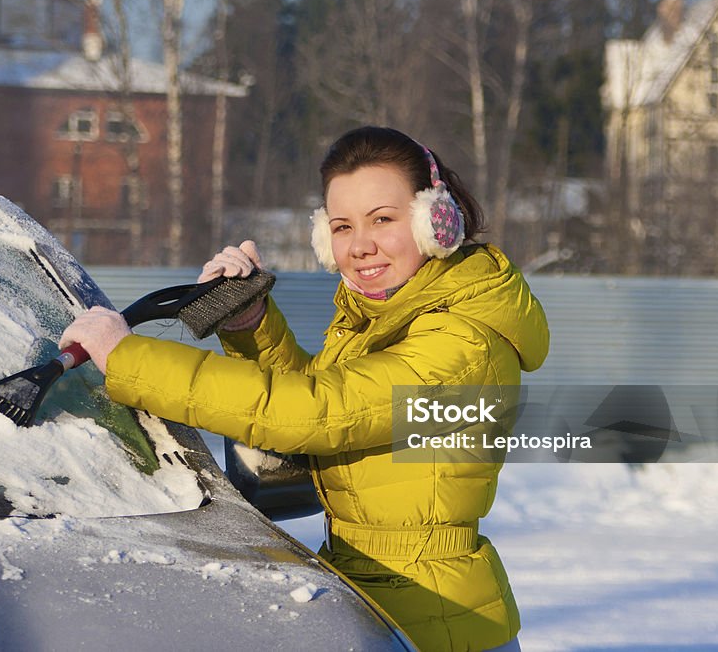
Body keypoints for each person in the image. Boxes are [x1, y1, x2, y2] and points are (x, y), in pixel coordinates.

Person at [60, 126, 549, 651]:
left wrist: (129, 358)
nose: (360, 245)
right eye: (342, 226)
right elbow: (316, 398)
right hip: (377, 597)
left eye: (382, 219)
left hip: (439, 623)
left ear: (436, 221)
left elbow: (316, 414)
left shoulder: (462, 341)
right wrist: (250, 324)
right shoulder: (384, 317)